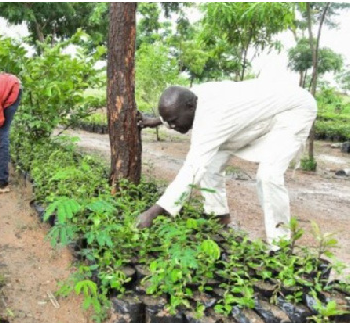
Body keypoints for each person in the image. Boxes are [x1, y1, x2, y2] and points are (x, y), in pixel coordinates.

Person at [136, 79, 317, 250]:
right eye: (169, 122)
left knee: (268, 176)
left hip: (294, 110)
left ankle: (281, 245)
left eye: (174, 122)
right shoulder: (194, 96)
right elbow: (176, 110)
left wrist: (154, 213)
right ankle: (218, 216)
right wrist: (156, 121)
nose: (172, 126)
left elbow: (192, 169)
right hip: (261, 113)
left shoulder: (212, 118)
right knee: (211, 163)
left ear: (190, 107)